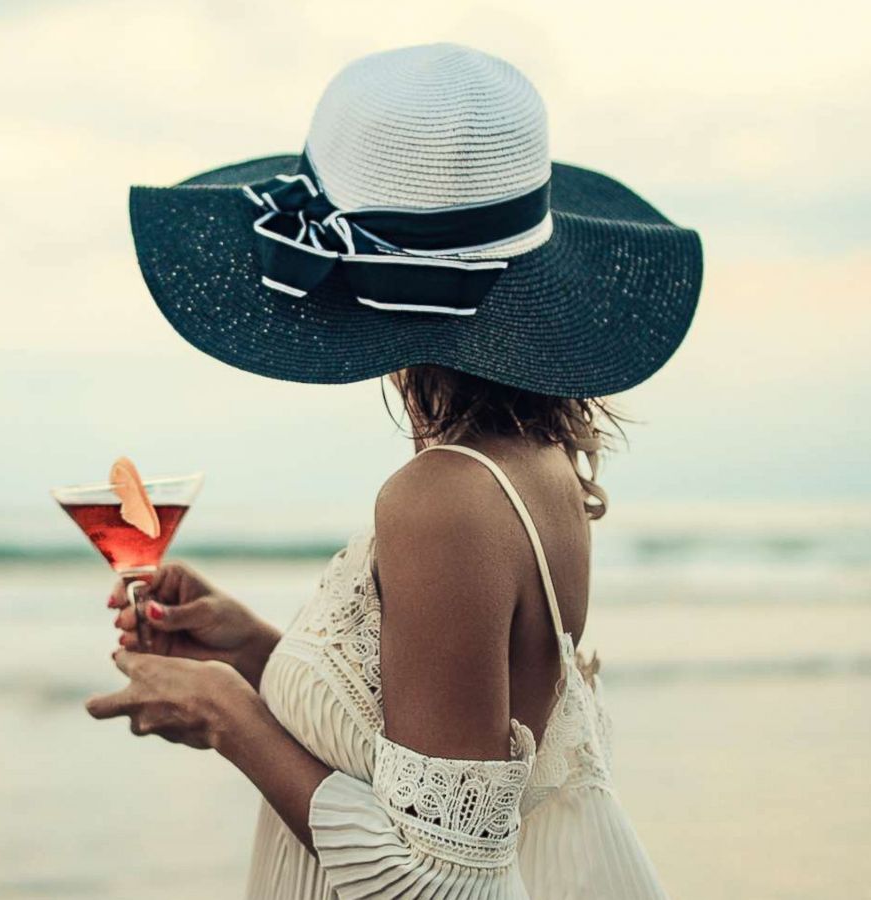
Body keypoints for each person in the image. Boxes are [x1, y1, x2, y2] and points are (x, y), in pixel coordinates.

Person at [88, 43, 701, 898]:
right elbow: (438, 746)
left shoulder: (444, 497)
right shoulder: (537, 465)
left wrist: (224, 716)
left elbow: (440, 883)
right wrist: (254, 655)